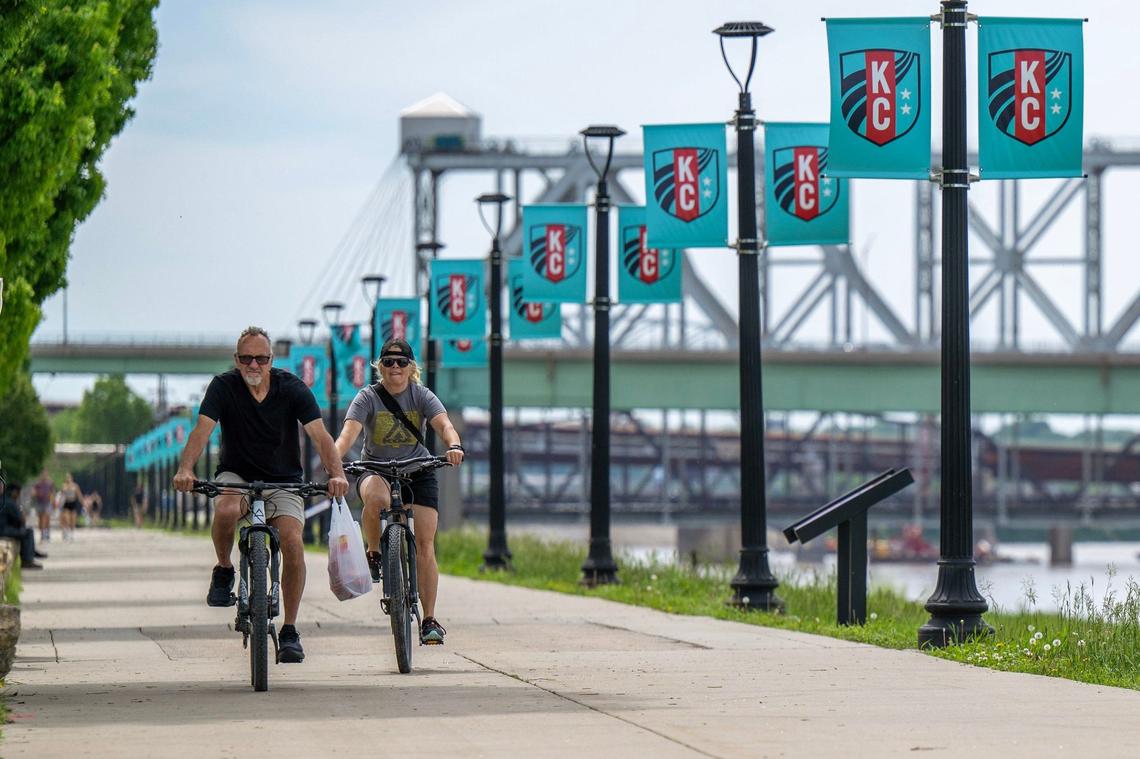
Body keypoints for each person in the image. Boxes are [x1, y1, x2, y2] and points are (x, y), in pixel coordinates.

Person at [173, 326, 348, 664]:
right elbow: (202, 431)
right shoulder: (223, 387)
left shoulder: (293, 388)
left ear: (272, 360)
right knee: (224, 510)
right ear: (236, 360)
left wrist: (337, 474)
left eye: (261, 358)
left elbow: (320, 436)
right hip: (237, 474)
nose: (254, 365)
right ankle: (224, 569)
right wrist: (186, 469)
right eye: (246, 358)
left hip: (283, 478)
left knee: (293, 540)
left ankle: (290, 630)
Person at [333, 338, 464, 645]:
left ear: (411, 368)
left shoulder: (422, 395)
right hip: (376, 468)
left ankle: (429, 619)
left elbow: (444, 424)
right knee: (377, 499)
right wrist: (333, 461)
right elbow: (348, 434)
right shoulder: (367, 397)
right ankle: (375, 552)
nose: (395, 368)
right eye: (389, 362)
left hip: (418, 470)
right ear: (380, 367)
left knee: (426, 544)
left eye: (401, 362)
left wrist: (454, 445)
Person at [0, 481, 46, 570]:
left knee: (23, 531)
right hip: (3, 530)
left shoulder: (3, 500)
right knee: (28, 532)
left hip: (3, 528)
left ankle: (31, 552)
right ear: (14, 492)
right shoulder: (10, 502)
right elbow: (21, 519)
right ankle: (27, 560)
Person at [58, 473, 83, 541]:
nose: (68, 478)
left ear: (72, 478)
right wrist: (59, 504)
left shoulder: (75, 486)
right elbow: (61, 495)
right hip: (66, 503)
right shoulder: (64, 486)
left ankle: (72, 533)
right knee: (66, 519)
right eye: (67, 477)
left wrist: (83, 503)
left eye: (69, 477)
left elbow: (79, 495)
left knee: (73, 519)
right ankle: (67, 532)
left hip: (73, 503)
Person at [31, 470, 54, 542]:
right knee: (41, 519)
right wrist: (36, 493)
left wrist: (53, 501)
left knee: (46, 518)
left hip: (47, 503)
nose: (44, 475)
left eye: (45, 474)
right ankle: (43, 533)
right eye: (43, 474)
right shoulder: (38, 484)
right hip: (39, 503)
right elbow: (33, 492)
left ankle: (45, 534)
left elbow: (52, 493)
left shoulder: (50, 483)